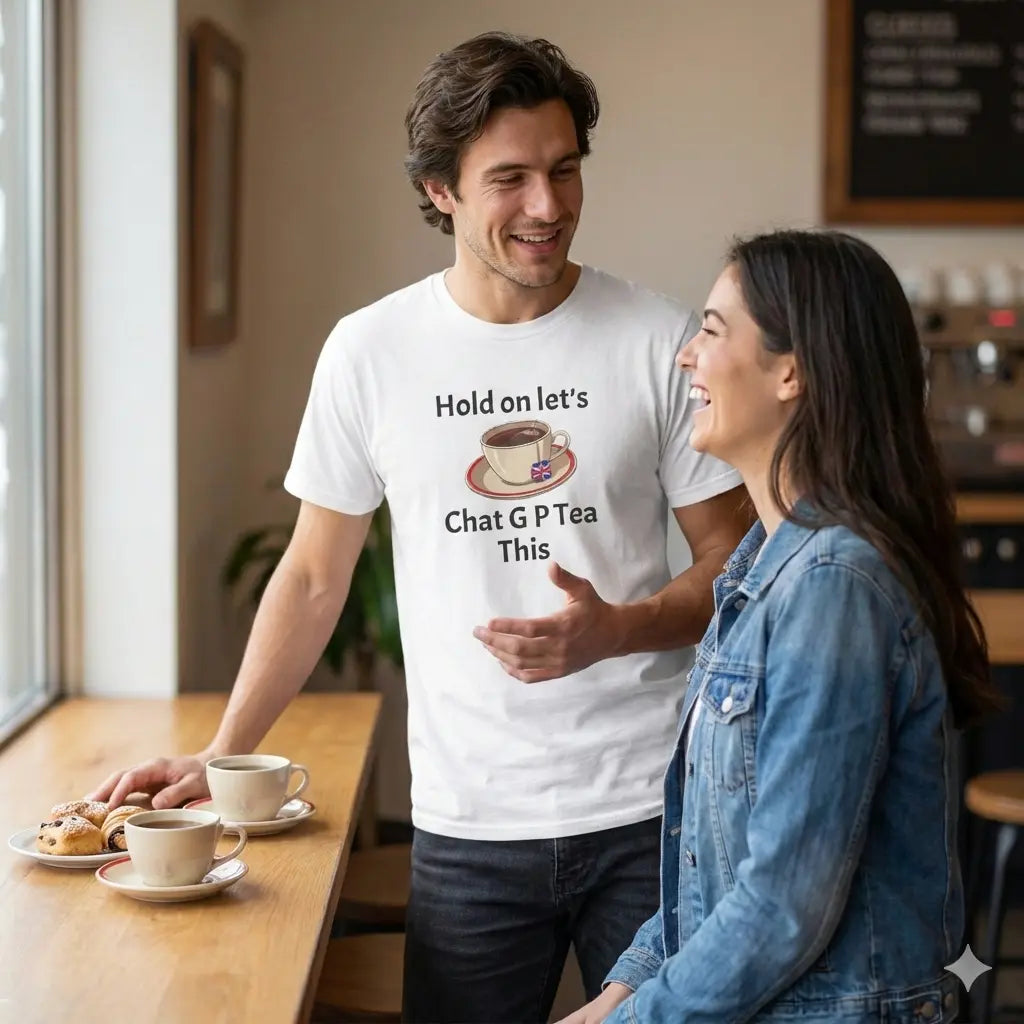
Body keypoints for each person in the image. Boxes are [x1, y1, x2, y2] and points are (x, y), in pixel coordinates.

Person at [89, 32, 748, 1023]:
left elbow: (733, 561)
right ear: (440, 189)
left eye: (565, 171)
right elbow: (314, 578)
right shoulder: (371, 352)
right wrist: (221, 756)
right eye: (509, 178)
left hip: (652, 811)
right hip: (467, 820)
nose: (547, 206)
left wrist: (616, 627)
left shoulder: (657, 337)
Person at [560, 229, 1000, 1024]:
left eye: (713, 329)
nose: (686, 355)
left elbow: (781, 906)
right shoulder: (759, 570)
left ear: (792, 372)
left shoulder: (834, 587)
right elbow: (715, 867)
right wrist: (622, 992)